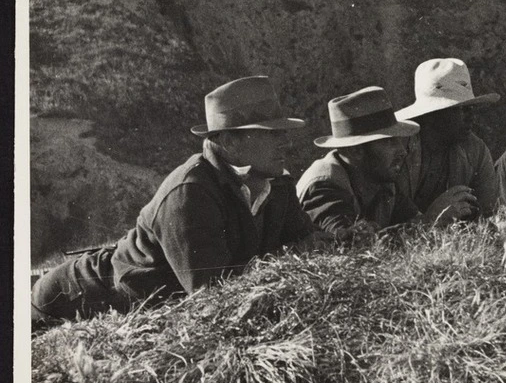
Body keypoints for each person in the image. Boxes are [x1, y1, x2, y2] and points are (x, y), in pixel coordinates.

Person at [32, 76, 328, 324]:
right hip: (72, 301)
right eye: (271, 134)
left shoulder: (277, 183)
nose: (285, 143)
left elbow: (304, 242)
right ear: (229, 142)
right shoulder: (190, 193)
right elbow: (213, 296)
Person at [297, 86, 432, 241]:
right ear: (355, 151)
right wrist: (431, 220)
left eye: (398, 140)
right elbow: (349, 246)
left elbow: (414, 224)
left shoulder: (380, 178)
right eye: (388, 141)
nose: (402, 151)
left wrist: (428, 222)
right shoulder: (324, 186)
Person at [395, 58, 501, 223]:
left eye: (471, 108)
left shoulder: (476, 151)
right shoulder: (397, 148)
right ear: (433, 114)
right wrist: (431, 220)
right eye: (461, 109)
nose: (471, 117)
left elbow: (488, 217)